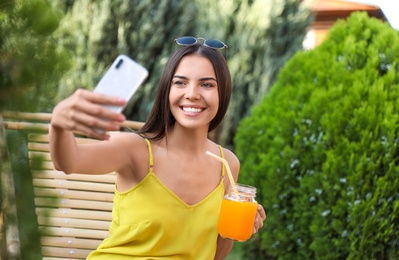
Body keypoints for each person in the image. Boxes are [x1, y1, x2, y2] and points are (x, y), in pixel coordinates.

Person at [49, 36, 267, 259]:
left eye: (207, 84)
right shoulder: (135, 149)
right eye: (180, 82)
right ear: (166, 90)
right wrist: (58, 124)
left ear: (223, 93)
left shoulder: (227, 164)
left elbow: (213, 255)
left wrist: (237, 227)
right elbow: (69, 161)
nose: (192, 93)